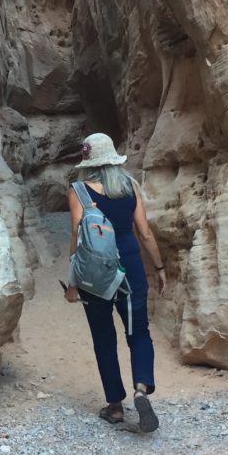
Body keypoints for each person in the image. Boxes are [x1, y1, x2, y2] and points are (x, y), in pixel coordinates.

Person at [65, 132, 167, 432]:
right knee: (139, 332)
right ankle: (141, 388)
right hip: (132, 268)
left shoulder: (79, 191)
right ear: (112, 159)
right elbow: (145, 232)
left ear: (88, 161)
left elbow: (76, 235)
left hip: (95, 275)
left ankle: (115, 407)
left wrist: (72, 282)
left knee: (104, 337)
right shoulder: (130, 186)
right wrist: (159, 267)